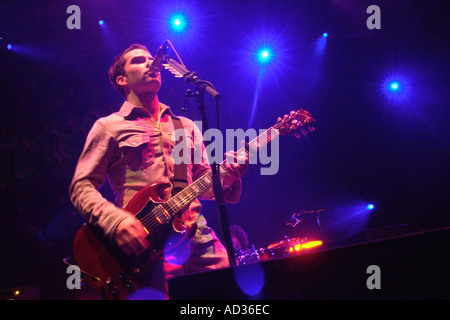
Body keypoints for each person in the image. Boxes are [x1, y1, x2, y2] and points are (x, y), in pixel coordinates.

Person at [69, 43, 248, 299]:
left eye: (152, 59)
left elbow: (204, 185)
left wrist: (229, 175)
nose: (151, 64)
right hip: (145, 245)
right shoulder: (108, 126)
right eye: (139, 61)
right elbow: (81, 187)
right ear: (122, 79)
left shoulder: (185, 126)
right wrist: (116, 221)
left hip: (196, 233)